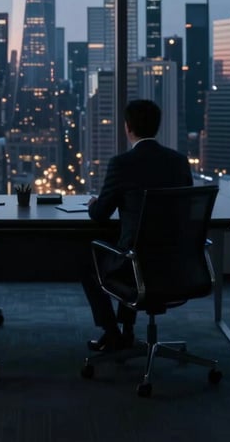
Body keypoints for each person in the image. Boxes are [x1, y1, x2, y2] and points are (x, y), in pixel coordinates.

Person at [81, 99, 193, 352]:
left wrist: (94, 203)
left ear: (128, 127)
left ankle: (113, 333)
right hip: (177, 265)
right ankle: (127, 330)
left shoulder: (121, 164)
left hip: (137, 265)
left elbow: (99, 215)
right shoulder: (179, 161)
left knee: (89, 263)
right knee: (131, 249)